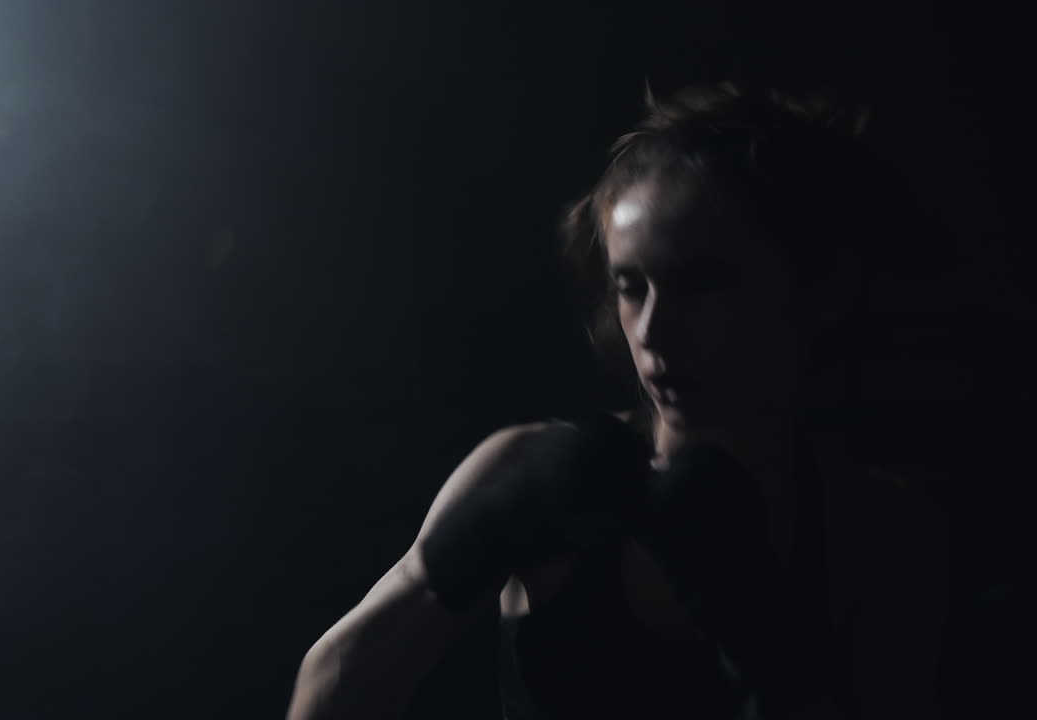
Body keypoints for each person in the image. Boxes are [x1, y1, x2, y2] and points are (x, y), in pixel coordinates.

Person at [286, 81, 949, 720]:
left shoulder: (874, 531)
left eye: (705, 284)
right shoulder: (531, 469)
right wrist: (458, 557)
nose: (655, 331)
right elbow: (335, 681)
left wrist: (768, 650)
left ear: (821, 292)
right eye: (632, 286)